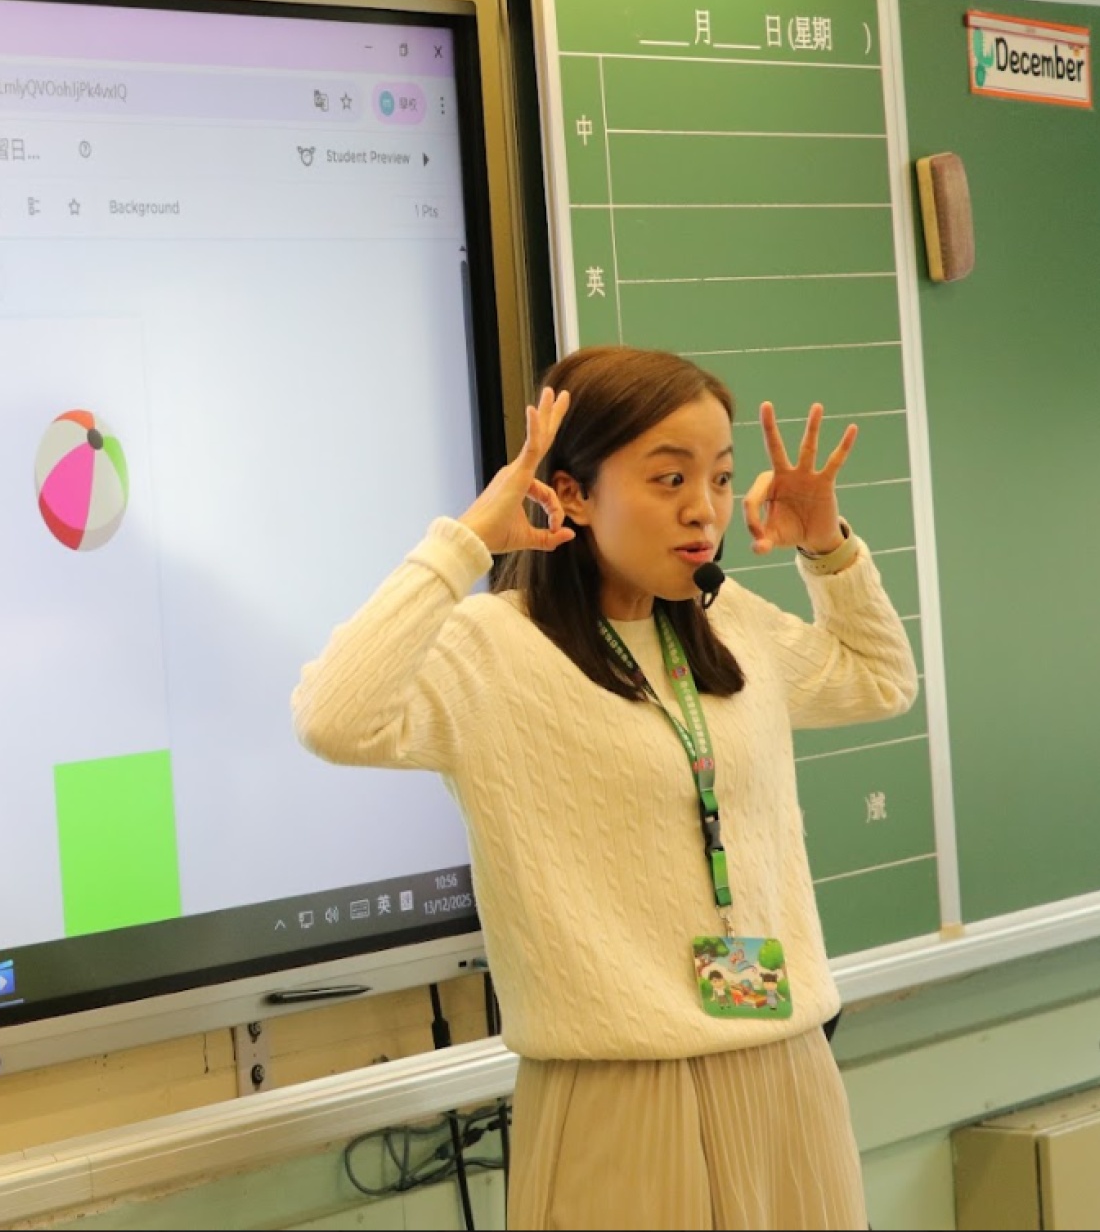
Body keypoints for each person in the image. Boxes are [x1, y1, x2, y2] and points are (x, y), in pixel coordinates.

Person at [292, 346, 916, 1229]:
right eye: (669, 478)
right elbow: (333, 716)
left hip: (785, 1072)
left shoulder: (727, 623)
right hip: (616, 1092)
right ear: (574, 494)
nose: (703, 509)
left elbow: (881, 681)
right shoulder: (495, 646)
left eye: (720, 477)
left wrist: (828, 546)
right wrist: (463, 542)